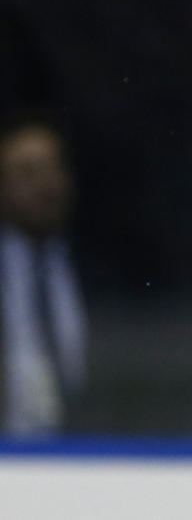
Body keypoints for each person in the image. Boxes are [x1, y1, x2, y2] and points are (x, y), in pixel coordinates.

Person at [0, 113, 88, 436]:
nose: (44, 185)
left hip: (83, 452)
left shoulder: (97, 268)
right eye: (27, 173)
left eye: (53, 169)